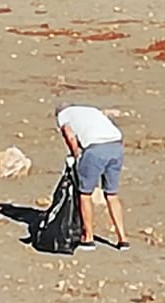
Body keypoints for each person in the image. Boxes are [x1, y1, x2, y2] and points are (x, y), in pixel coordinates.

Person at [54, 99, 129, 251]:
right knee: (112, 194)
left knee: (85, 193)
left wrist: (76, 155)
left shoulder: (63, 115)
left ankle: (88, 238)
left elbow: (69, 136)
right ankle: (123, 239)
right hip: (116, 145)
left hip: (95, 149)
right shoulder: (91, 110)